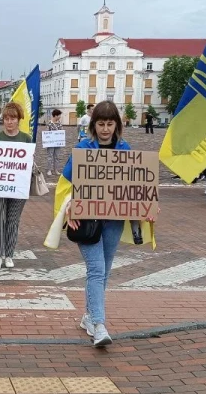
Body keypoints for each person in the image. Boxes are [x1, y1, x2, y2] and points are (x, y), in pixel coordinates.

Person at [56, 101, 156, 346]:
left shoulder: (125, 149)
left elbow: (137, 186)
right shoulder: (82, 149)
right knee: (97, 270)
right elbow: (65, 184)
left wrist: (148, 206)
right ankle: (99, 325)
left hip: (114, 220)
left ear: (117, 125)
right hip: (86, 220)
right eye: (101, 123)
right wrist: (70, 205)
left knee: (104, 272)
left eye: (110, 124)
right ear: (93, 125)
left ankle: (89, 316)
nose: (105, 129)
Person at [0, 102, 32, 270]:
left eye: (12, 118)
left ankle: (9, 255)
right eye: (6, 118)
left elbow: (28, 162)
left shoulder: (26, 138)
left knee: (12, 221)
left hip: (18, 187)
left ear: (18, 119)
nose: (9, 122)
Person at [45, 108, 64, 177]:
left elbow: (62, 131)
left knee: (57, 157)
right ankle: (49, 170)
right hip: (51, 143)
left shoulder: (59, 123)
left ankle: (56, 170)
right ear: (55, 115)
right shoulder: (49, 123)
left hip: (57, 142)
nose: (60, 117)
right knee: (50, 156)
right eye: (59, 115)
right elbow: (46, 133)